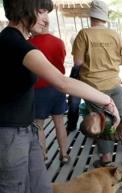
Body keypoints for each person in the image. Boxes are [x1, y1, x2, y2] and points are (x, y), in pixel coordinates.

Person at [0, 0, 120, 193]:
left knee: (41, 192)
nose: (46, 19)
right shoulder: (13, 43)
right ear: (23, 9)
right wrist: (106, 100)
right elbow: (62, 82)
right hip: (9, 135)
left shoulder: (20, 42)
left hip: (27, 130)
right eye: (41, 11)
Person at [72, 0, 122, 168]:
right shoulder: (115, 34)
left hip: (93, 87)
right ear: (106, 16)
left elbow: (77, 62)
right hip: (114, 83)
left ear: (91, 16)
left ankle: (106, 160)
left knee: (102, 121)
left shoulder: (84, 34)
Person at [28, 22, 70, 163]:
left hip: (38, 88)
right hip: (58, 87)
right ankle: (64, 155)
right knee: (59, 122)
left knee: (38, 125)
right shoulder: (59, 42)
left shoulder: (28, 43)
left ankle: (43, 156)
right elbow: (61, 61)